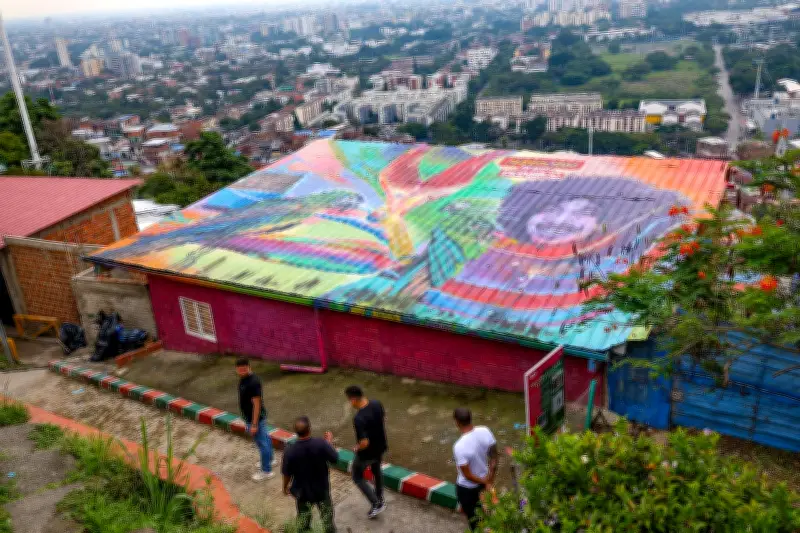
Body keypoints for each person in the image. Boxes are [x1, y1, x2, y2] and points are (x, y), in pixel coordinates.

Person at [282, 416, 338, 533]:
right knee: (327, 519)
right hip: (321, 490)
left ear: (296, 432)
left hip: (302, 493)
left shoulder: (290, 451)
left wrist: (285, 487)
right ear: (310, 429)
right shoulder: (321, 444)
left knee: (304, 520)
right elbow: (334, 458)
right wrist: (328, 443)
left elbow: (287, 473)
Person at [343, 385, 387, 518]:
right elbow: (383, 419)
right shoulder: (376, 403)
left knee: (357, 476)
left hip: (366, 453)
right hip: (380, 446)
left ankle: (376, 504)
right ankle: (379, 497)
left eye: (349, 400)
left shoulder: (359, 418)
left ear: (353, 399)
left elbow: (364, 442)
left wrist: (357, 447)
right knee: (376, 470)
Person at [452, 407, 498, 532]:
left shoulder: (459, 446)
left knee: (476, 524)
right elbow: (494, 457)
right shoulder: (485, 431)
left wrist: (485, 482)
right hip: (484, 484)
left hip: (467, 489)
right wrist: (490, 479)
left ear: (456, 422)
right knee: (490, 519)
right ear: (471, 418)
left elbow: (467, 474)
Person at [236, 357, 276, 481]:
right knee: (265, 439)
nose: (242, 372)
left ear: (249, 367)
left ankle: (266, 470)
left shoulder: (253, 382)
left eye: (244, 369)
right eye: (240, 370)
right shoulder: (244, 379)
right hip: (252, 417)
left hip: (255, 419)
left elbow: (257, 404)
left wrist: (254, 424)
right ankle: (270, 459)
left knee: (262, 443)